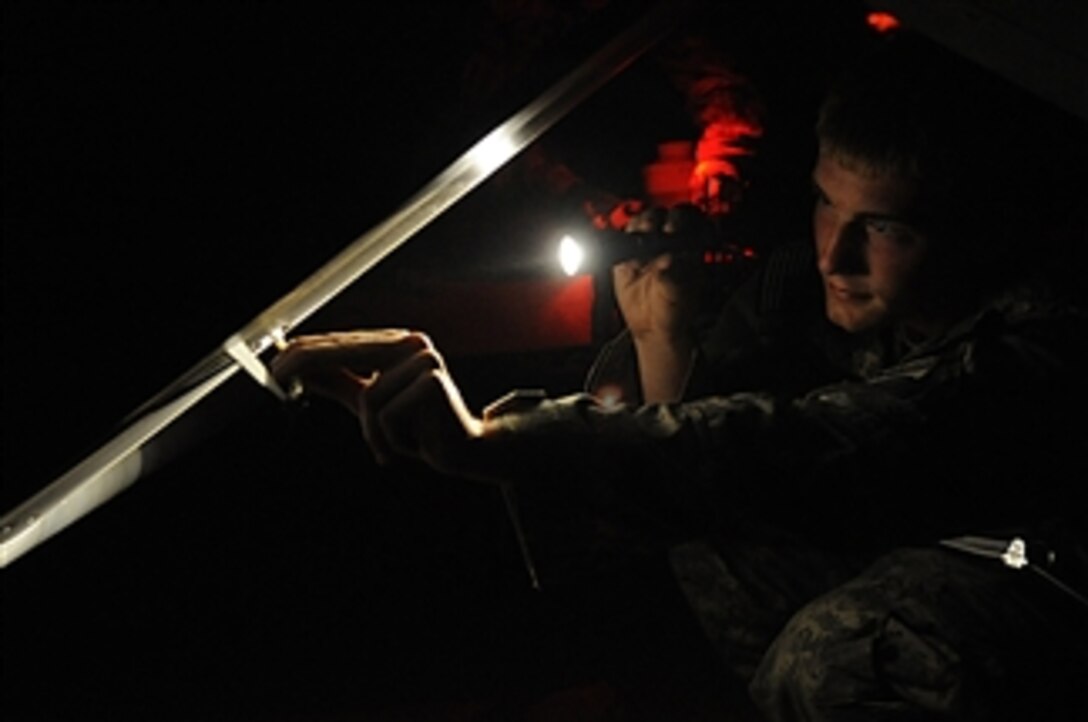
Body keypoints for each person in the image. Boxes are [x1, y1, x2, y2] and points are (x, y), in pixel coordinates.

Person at [271, 36, 1088, 720]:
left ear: (979, 232)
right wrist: (662, 334)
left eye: (885, 228)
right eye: (825, 205)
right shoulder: (804, 283)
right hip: (930, 546)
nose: (837, 254)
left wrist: (497, 439)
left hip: (1047, 581)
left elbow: (813, 451)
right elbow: (699, 475)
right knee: (715, 549)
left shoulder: (1044, 338)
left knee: (843, 657)